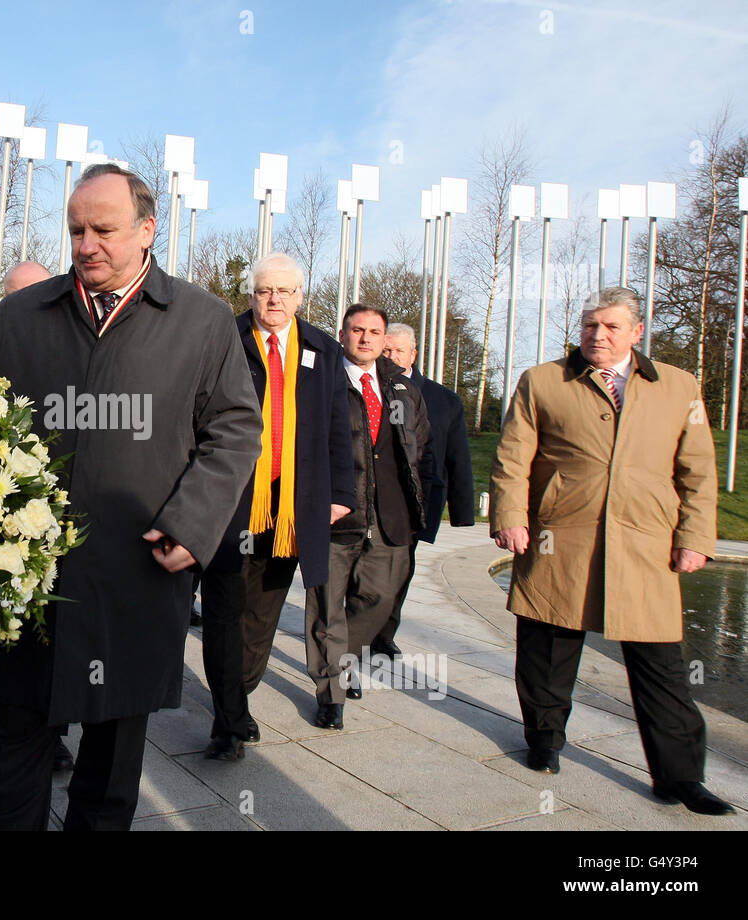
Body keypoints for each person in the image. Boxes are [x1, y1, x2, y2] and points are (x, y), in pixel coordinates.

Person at [0, 163, 262, 830]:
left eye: (103, 229)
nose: (85, 244)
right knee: (12, 757)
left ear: (147, 230)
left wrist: (193, 524)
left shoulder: (203, 321)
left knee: (108, 776)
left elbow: (236, 428)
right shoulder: (22, 314)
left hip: (135, 571)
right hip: (24, 577)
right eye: (76, 230)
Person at [489, 286, 733, 815]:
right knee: (547, 648)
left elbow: (698, 472)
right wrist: (510, 517)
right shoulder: (542, 381)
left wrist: (695, 538)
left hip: (645, 545)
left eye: (611, 327)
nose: (598, 336)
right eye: (589, 325)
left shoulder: (678, 387)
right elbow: (513, 458)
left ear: (637, 332)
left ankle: (680, 777)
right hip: (561, 538)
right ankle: (545, 741)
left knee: (661, 667)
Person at [199, 252, 354, 760]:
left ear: (301, 297)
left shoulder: (324, 351)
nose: (274, 300)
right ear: (252, 295)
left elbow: (337, 427)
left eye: (285, 291)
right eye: (266, 290)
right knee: (225, 611)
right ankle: (228, 722)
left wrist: (340, 496)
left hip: (291, 509)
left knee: (262, 615)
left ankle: (237, 695)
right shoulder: (225, 338)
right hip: (231, 501)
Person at [0, 259, 66, 767]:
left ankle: (52, 732)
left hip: (52, 512)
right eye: (12, 295)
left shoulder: (72, 349)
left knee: (48, 626)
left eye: (33, 292)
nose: (21, 303)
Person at [309, 304, 429, 730]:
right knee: (326, 607)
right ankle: (331, 693)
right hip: (334, 515)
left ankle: (340, 658)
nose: (365, 339)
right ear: (342, 335)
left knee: (379, 598)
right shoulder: (321, 381)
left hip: (390, 515)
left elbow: (418, 446)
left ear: (384, 340)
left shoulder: (401, 388)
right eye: (356, 330)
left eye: (374, 332)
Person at [375, 323, 472, 657]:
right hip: (371, 495)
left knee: (402, 567)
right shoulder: (363, 386)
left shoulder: (444, 400)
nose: (390, 356)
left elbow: (457, 456)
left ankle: (384, 633)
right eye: (385, 350)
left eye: (397, 351)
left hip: (418, 499)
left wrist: (463, 512)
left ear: (413, 354)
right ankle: (352, 627)